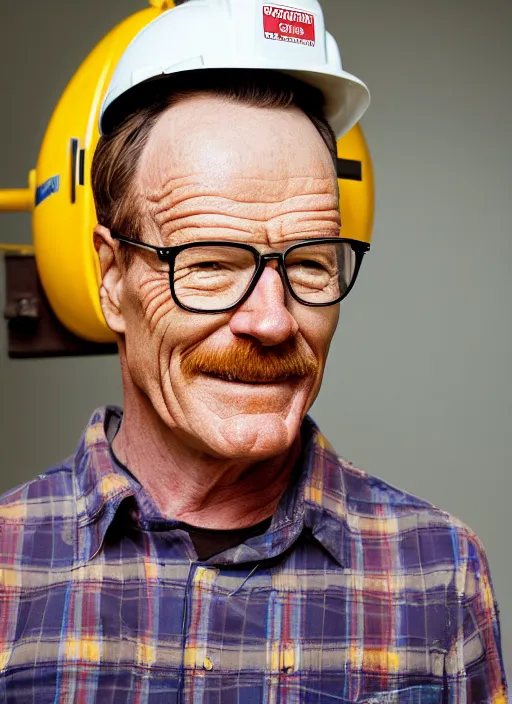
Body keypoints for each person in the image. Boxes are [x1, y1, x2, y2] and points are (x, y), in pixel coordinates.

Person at [0, 1, 507, 702]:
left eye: (308, 264)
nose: (272, 322)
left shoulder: (439, 576)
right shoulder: (5, 571)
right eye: (208, 263)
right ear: (113, 281)